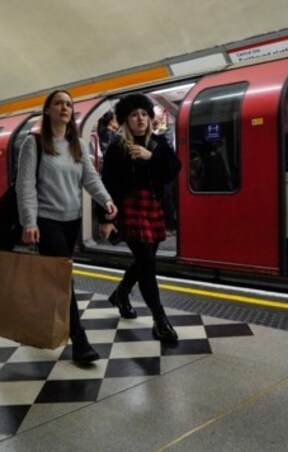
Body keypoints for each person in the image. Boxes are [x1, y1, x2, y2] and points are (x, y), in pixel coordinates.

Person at [15, 89, 117, 364]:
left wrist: (106, 200)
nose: (64, 107)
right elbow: (25, 186)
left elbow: (90, 177)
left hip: (71, 220)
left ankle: (46, 325)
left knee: (57, 280)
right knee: (64, 281)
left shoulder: (77, 145)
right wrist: (30, 221)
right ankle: (80, 342)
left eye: (69, 104)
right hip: (47, 221)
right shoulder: (33, 143)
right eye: (58, 103)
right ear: (47, 110)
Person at [98, 93, 182, 342]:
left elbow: (174, 169)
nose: (140, 119)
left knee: (146, 260)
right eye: (134, 115)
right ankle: (160, 320)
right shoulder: (117, 147)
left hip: (152, 207)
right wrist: (106, 218)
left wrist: (151, 158)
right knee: (147, 263)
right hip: (129, 208)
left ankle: (121, 294)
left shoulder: (156, 144)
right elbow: (107, 183)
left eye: (144, 114)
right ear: (126, 120)